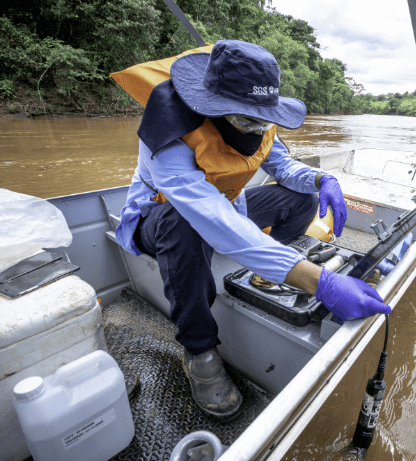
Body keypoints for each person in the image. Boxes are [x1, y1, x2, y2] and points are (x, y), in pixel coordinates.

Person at [116, 40, 391, 421]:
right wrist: (317, 281)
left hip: (228, 209)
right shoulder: (168, 134)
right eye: (247, 121)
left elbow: (284, 168)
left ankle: (264, 263)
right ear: (212, 108)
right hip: (159, 219)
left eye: (264, 120)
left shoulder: (260, 123)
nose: (258, 129)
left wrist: (320, 177)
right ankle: (199, 350)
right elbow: (205, 213)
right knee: (184, 224)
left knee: (300, 198)